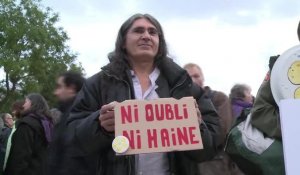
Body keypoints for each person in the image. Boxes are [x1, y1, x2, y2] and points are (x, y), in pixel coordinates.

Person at [68, 13, 219, 175]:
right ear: (123, 42)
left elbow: (209, 150)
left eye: (152, 32)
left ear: (159, 43)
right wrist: (100, 125)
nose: (146, 36)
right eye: (138, 31)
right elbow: (72, 140)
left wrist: (197, 127)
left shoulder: (183, 85)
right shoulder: (98, 84)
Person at [47, 72, 91, 175]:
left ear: (71, 88)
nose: (55, 92)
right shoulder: (67, 114)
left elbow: (71, 160)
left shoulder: (76, 117)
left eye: (59, 87)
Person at [184, 63, 232, 146]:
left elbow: (222, 131)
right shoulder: (180, 102)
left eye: (196, 76)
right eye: (188, 77)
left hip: (214, 155)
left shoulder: (219, 98)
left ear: (203, 78)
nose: (192, 80)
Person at [4, 93, 53, 175]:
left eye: (26, 102)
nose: (23, 105)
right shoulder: (47, 124)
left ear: (33, 104)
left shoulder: (26, 124)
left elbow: (19, 157)